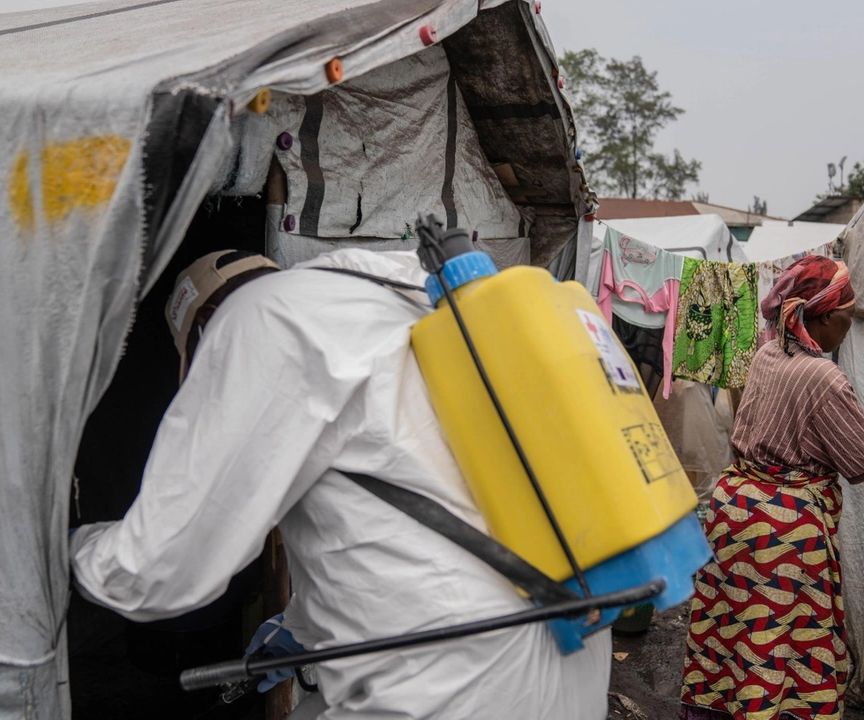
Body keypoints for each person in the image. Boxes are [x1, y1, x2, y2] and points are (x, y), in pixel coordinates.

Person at [69, 248, 611, 719]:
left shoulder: (259, 322)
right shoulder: (403, 306)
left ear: (205, 327)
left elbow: (162, 568)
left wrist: (66, 551)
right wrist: (298, 624)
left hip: (450, 682)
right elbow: (418, 510)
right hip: (573, 655)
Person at [678, 256, 864, 720]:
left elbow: (807, 430)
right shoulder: (823, 375)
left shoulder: (770, 353)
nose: (851, 319)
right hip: (780, 532)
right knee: (781, 639)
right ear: (823, 316)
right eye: (848, 310)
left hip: (733, 511)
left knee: (735, 630)